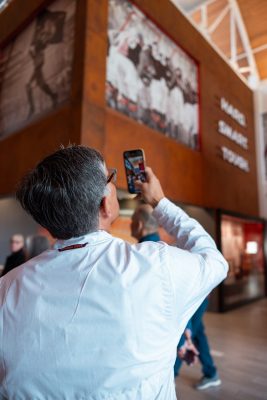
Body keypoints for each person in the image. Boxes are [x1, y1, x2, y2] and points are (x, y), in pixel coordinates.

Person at [0, 145, 228, 399]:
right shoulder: (155, 266)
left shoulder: (7, 288)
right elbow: (214, 261)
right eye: (110, 177)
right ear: (106, 204)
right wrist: (159, 202)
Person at [174, 298, 221, 390]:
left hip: (195, 298)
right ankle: (211, 373)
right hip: (196, 298)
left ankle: (171, 375)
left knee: (185, 338)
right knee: (198, 335)